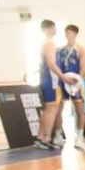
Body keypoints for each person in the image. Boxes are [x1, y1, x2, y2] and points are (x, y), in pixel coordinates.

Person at [55, 25, 85, 149]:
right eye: (65, 32)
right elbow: (57, 67)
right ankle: (58, 135)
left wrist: (77, 82)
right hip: (63, 82)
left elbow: (82, 68)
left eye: (68, 32)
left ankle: (79, 137)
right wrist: (63, 79)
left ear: (75, 34)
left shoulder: (80, 49)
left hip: (75, 83)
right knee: (58, 109)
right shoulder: (60, 50)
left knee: (79, 110)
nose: (66, 34)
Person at [33, 19, 65, 150]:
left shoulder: (46, 43)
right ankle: (46, 137)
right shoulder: (49, 43)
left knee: (48, 110)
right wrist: (63, 77)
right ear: (48, 29)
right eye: (53, 27)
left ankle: (41, 136)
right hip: (52, 81)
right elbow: (51, 64)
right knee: (51, 110)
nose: (55, 30)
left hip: (46, 79)